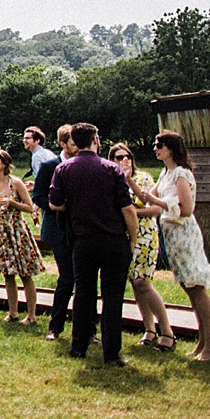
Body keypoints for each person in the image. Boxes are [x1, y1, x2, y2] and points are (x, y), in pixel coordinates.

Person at [49, 122, 138, 367]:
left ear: (76, 142)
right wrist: (133, 240)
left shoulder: (64, 169)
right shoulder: (111, 169)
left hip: (83, 241)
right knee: (112, 296)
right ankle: (112, 353)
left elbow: (55, 203)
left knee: (83, 293)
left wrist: (76, 204)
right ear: (96, 140)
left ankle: (78, 346)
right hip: (113, 240)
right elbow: (128, 209)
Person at [142, 129, 210, 362]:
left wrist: (157, 201)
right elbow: (147, 197)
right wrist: (126, 177)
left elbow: (186, 209)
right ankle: (204, 341)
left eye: (160, 145)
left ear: (171, 149)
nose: (155, 148)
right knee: (189, 287)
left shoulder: (181, 174)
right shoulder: (165, 174)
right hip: (172, 236)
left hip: (184, 234)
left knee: (196, 286)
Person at [110, 142, 173, 351]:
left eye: (126, 156)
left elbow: (152, 207)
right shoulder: (110, 180)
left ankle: (167, 332)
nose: (123, 161)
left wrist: (130, 212)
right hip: (123, 237)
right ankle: (149, 329)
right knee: (135, 284)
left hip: (145, 235)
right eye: (118, 158)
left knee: (143, 282)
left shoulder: (142, 178)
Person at [0, 147, 42, 324]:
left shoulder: (15, 183)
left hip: (17, 231)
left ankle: (31, 315)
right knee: (8, 273)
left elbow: (30, 208)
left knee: (25, 273)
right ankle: (13, 313)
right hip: (2, 231)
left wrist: (12, 202)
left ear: (4, 163)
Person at [34, 124, 77, 341]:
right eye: (72, 143)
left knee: (85, 282)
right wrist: (54, 205)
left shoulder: (83, 164)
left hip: (82, 230)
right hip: (59, 230)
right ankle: (55, 326)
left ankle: (88, 330)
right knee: (67, 278)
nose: (77, 147)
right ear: (62, 143)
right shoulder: (50, 166)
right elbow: (38, 196)